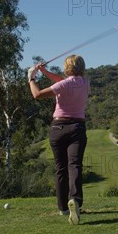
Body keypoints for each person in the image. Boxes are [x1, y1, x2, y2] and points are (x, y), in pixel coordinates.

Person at [28, 55, 90, 225]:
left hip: (58, 129)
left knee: (61, 168)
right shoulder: (85, 82)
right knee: (74, 165)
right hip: (77, 128)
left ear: (66, 67)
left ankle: (63, 207)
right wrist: (44, 71)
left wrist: (32, 77)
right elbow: (63, 81)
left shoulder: (63, 85)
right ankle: (75, 200)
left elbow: (37, 94)